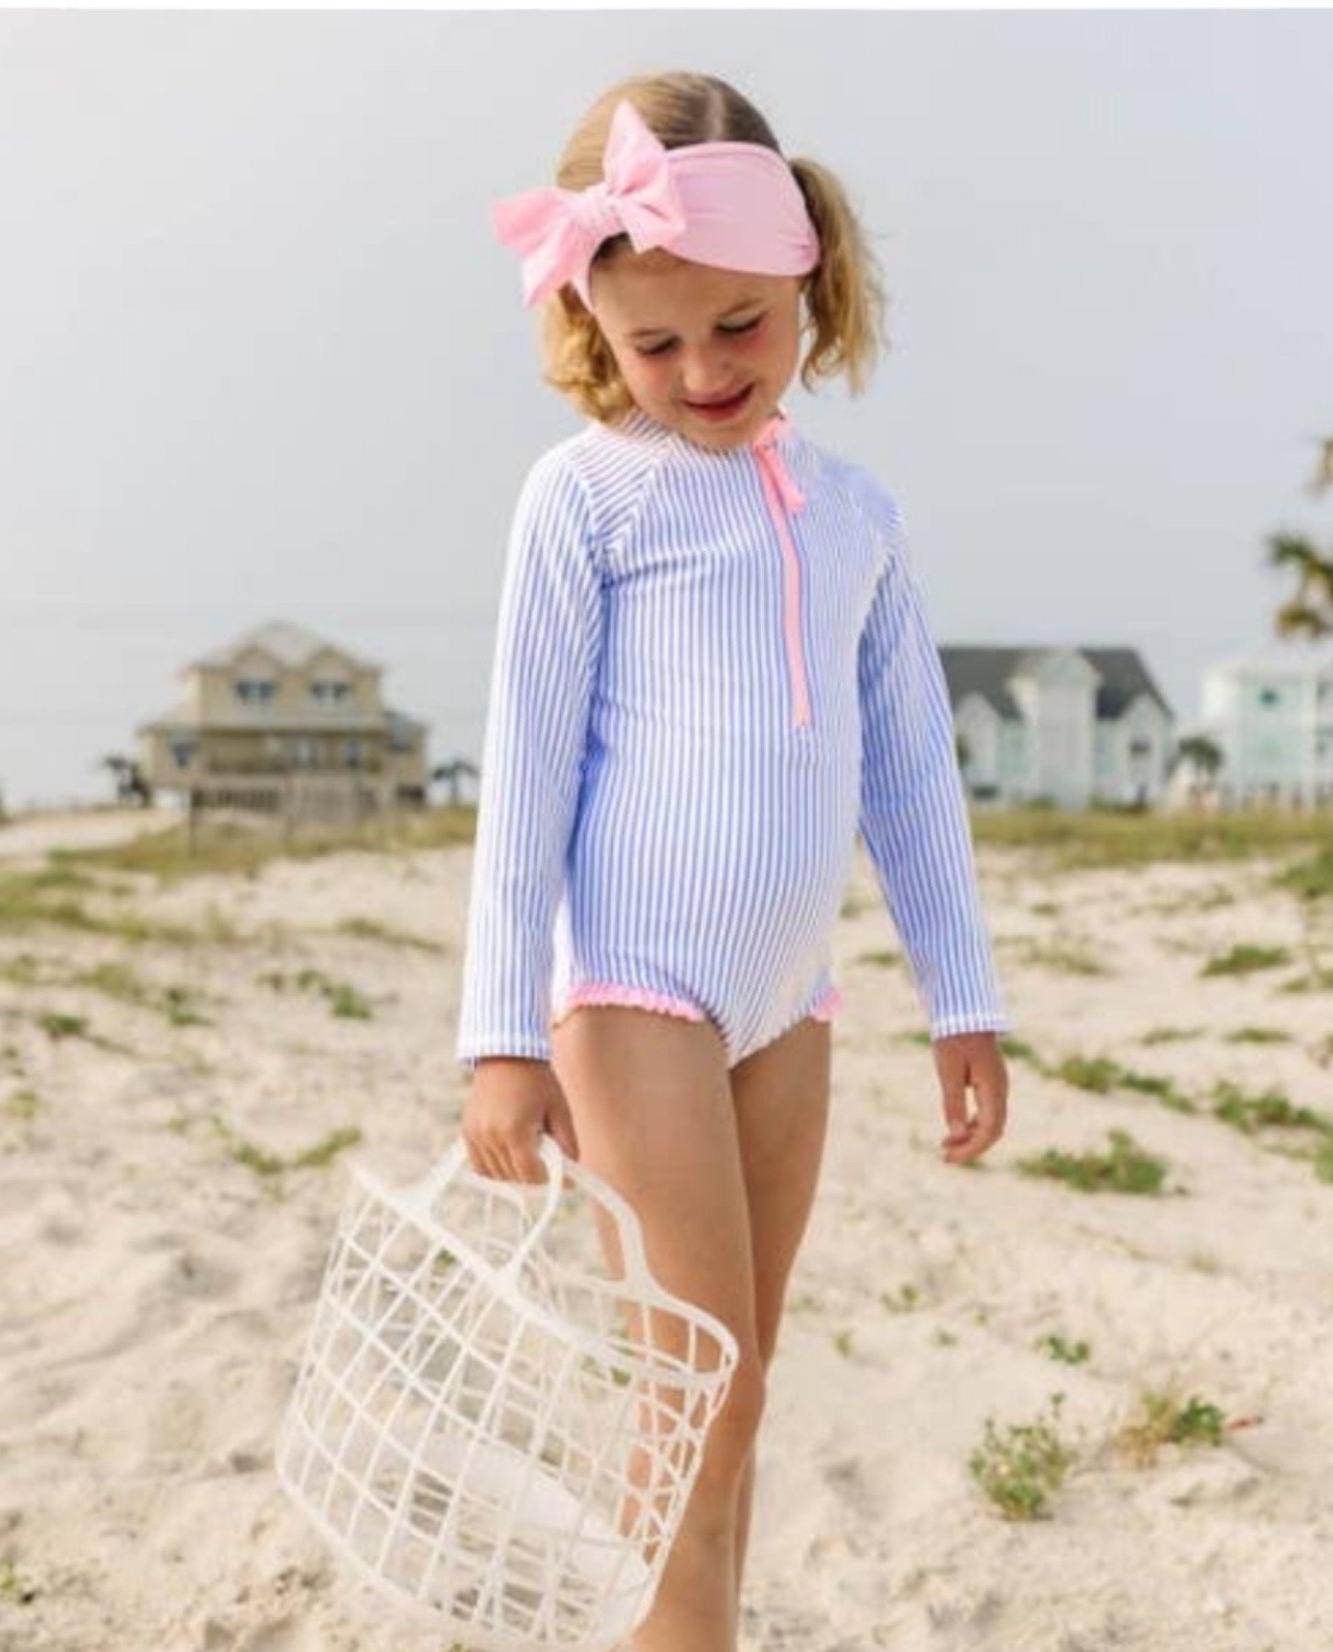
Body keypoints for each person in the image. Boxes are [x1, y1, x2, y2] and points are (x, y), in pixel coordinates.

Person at [456, 71, 1010, 1652]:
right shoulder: (585, 503)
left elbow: (912, 775)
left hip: (790, 1006)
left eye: (740, 328)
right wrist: (500, 1038)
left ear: (808, 285)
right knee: (704, 1380)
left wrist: (963, 998)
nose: (701, 371)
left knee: (731, 1388)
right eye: (655, 341)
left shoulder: (858, 519)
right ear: (595, 330)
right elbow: (528, 779)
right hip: (636, 997)